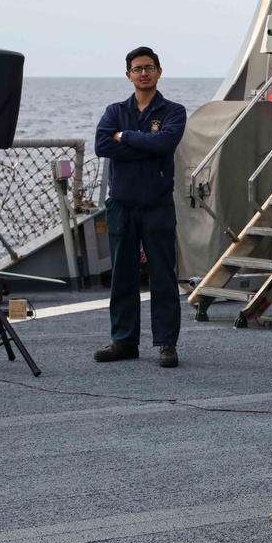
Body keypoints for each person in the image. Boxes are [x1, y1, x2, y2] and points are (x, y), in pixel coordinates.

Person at [93, 46, 186, 368]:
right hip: (121, 205)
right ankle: (124, 341)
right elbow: (102, 145)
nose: (143, 73)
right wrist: (143, 144)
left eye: (149, 67)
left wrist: (126, 139)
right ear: (128, 75)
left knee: (163, 276)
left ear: (159, 72)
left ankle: (166, 343)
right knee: (122, 277)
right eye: (137, 68)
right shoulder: (115, 110)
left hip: (156, 205)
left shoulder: (173, 111)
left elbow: (165, 143)